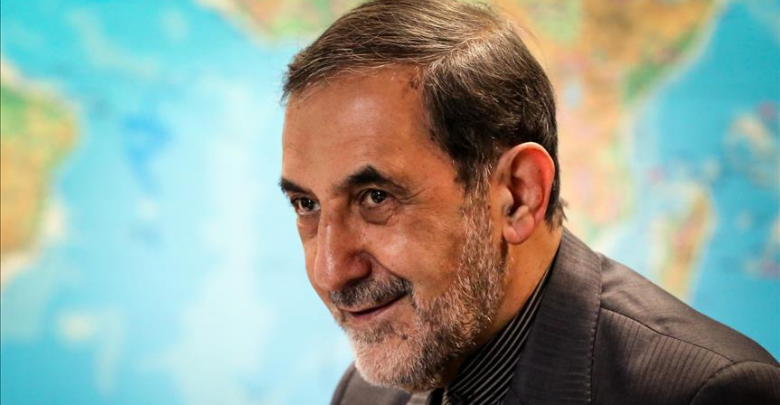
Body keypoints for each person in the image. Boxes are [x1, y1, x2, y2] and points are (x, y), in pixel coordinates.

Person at [278, 1, 780, 404]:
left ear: (518, 196)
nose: (330, 271)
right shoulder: (364, 393)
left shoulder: (708, 393)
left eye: (375, 198)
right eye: (306, 205)